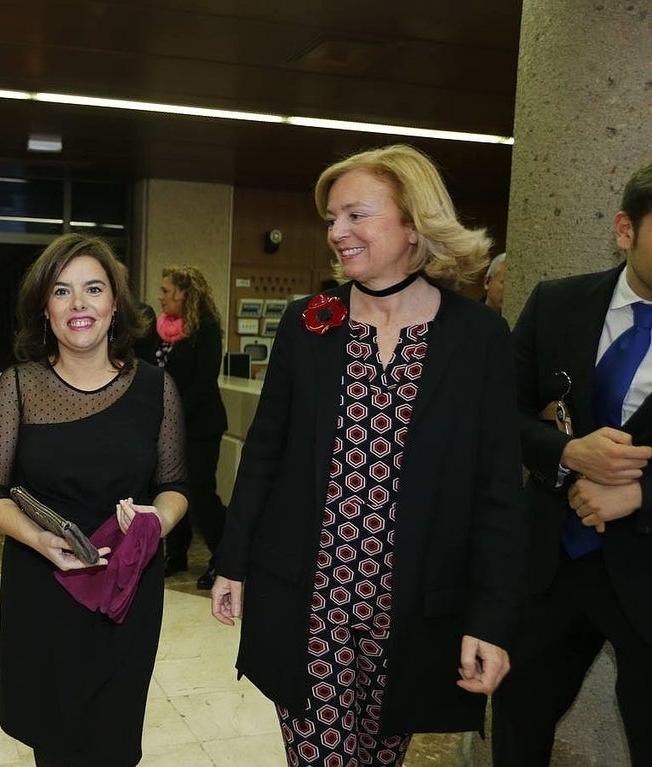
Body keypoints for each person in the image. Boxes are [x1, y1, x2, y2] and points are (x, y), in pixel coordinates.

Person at [210, 144, 526, 767]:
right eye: (332, 218)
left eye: (356, 215)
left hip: (414, 606)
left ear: (413, 224)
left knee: (381, 756)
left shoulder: (476, 336)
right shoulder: (310, 322)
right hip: (310, 595)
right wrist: (233, 561)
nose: (336, 233)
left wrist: (491, 617)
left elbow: (497, 488)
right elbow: (265, 453)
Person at [0, 233, 189, 767]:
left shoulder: (156, 388)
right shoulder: (17, 386)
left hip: (127, 590)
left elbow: (176, 485)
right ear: (44, 308)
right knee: (57, 740)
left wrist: (153, 523)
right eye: (62, 292)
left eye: (93, 289)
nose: (79, 305)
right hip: (43, 584)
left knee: (113, 739)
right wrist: (39, 538)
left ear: (116, 304)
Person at [493, 159, 652, 765]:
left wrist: (641, 494)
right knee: (518, 718)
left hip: (647, 573)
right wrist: (565, 451)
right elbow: (497, 415)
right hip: (549, 567)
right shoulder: (557, 305)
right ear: (624, 229)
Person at [147, 264, 228, 589]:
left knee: (199, 493)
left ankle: (223, 558)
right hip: (167, 426)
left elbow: (203, 383)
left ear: (185, 293)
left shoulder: (206, 329)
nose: (160, 296)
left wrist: (173, 417)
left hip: (199, 426)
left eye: (167, 290)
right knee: (169, 491)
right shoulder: (162, 328)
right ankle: (176, 554)